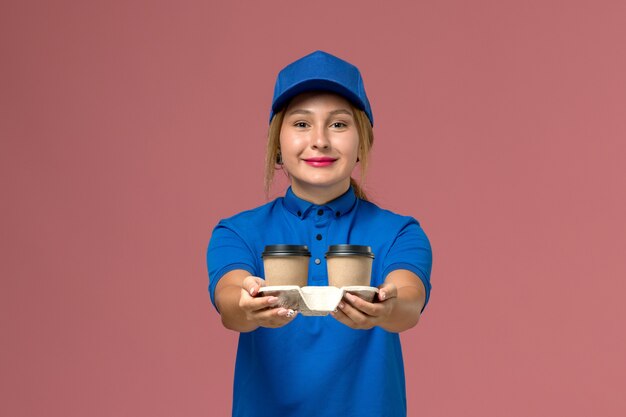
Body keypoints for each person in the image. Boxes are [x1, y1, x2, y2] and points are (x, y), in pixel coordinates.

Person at [207, 50, 432, 417]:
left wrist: (386, 307)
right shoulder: (238, 231)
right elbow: (229, 302)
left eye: (339, 125)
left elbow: (410, 299)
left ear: (363, 141)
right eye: (301, 124)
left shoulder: (398, 231)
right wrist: (248, 306)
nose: (320, 140)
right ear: (277, 142)